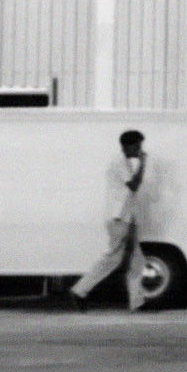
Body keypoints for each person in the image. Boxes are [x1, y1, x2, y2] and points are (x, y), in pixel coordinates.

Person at [70, 130, 152, 311]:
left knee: (136, 260)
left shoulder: (124, 163)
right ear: (126, 146)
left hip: (125, 217)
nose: (139, 150)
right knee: (114, 258)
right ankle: (80, 290)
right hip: (118, 218)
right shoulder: (118, 162)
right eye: (137, 146)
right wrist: (143, 163)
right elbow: (134, 185)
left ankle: (137, 302)